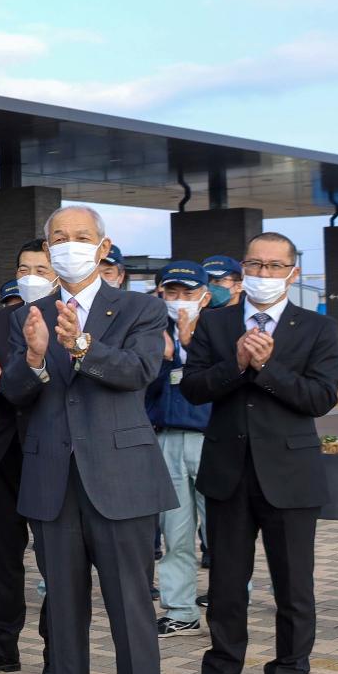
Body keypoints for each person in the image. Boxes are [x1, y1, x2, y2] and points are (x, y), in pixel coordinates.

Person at [0, 206, 172, 674]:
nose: (68, 246)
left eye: (81, 238)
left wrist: (80, 348)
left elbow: (140, 371)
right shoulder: (28, 314)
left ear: (103, 247)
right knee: (64, 613)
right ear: (46, 249)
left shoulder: (142, 307)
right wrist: (31, 359)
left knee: (131, 614)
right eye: (58, 238)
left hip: (120, 480)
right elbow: (16, 396)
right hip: (53, 481)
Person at [172, 234, 338, 674]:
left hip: (290, 475)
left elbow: (319, 398)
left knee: (293, 589)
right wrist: (238, 363)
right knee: (226, 585)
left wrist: (265, 366)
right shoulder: (217, 321)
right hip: (228, 472)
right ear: (241, 269)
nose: (263, 274)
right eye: (254, 264)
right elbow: (197, 389)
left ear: (292, 272)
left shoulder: (317, 327)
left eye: (274, 266)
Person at [0, 240, 54, 673]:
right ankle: (2, 643)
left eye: (40, 270)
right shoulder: (0, 318)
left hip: (50, 453)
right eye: (24, 269)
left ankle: (54, 651)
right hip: (5, 449)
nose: (31, 277)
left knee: (54, 559)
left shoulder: (69, 319)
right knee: (4, 556)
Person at [147, 262, 211, 635]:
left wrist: (190, 348)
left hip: (212, 438)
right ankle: (180, 610)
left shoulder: (220, 330)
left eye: (188, 293)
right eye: (173, 293)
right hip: (167, 438)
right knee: (176, 531)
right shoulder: (153, 332)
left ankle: (231, 598)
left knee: (222, 530)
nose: (180, 301)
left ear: (204, 295)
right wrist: (165, 359)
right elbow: (139, 388)